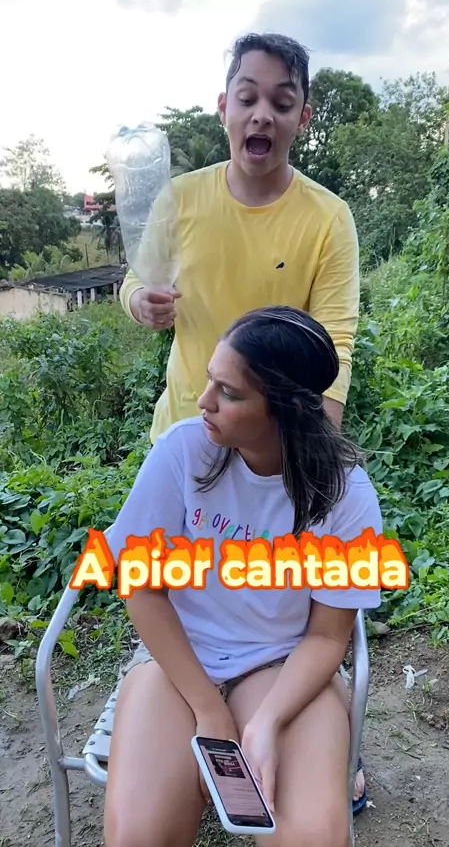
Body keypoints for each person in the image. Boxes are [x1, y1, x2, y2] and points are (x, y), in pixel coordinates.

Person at [103, 306, 383, 847]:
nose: (204, 401)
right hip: (177, 662)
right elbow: (143, 587)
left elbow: (328, 636)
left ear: (285, 411)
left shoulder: (345, 496)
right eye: (211, 380)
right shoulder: (183, 451)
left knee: (311, 837)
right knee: (139, 835)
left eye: (229, 393)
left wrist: (266, 723)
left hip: (281, 666)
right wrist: (209, 708)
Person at [119, 32, 360, 437]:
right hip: (183, 432)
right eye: (247, 99)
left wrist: (323, 450)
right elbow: (137, 279)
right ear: (223, 108)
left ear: (303, 119)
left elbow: (334, 343)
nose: (262, 115)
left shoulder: (329, 218)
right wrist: (139, 301)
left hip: (271, 440)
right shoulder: (179, 197)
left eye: (281, 104)